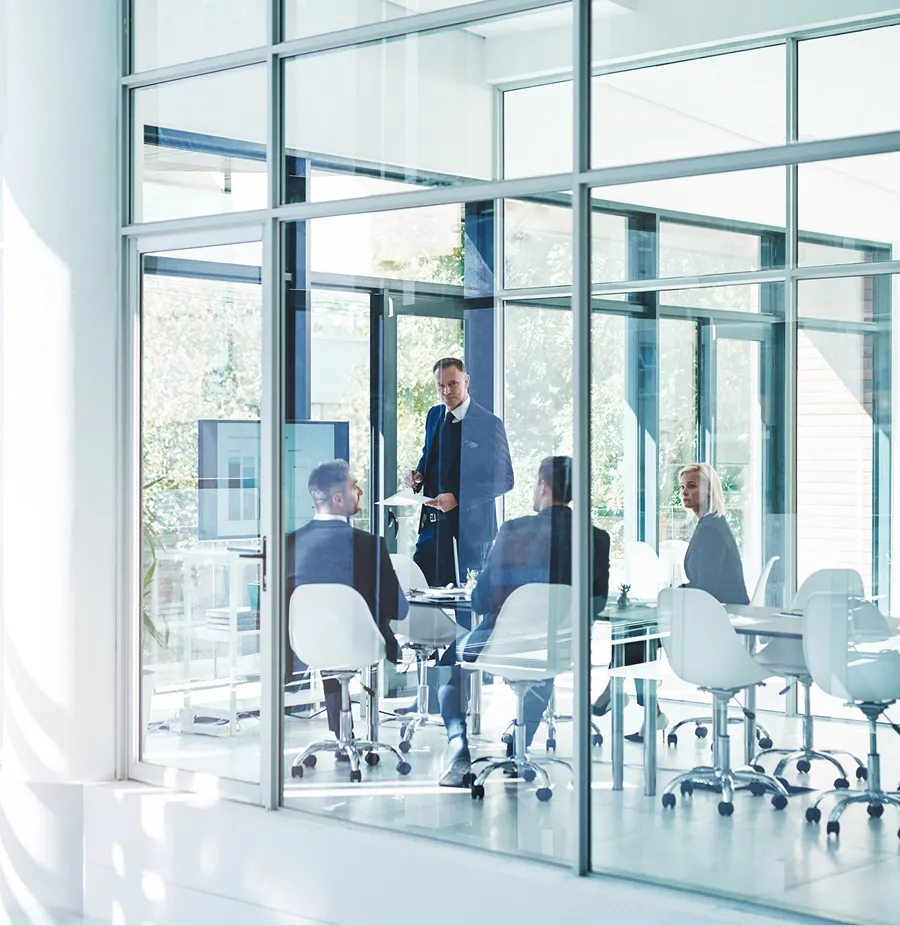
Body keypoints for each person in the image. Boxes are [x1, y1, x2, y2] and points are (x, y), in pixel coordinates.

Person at [436, 456, 610, 787]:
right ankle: (519, 747)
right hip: (559, 646)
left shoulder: (514, 530)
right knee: (543, 672)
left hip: (502, 642)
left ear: (543, 487)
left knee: (448, 662)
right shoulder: (596, 537)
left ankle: (458, 746)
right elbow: (596, 600)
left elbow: (482, 598)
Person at [285, 460, 408, 749]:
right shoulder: (369, 545)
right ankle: (352, 735)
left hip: (307, 645)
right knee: (349, 639)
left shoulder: (289, 543)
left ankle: (341, 735)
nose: (361, 491)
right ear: (338, 498)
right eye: (355, 486)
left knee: (330, 644)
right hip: (360, 644)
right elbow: (399, 609)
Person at [403, 357, 514, 601]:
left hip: (471, 534)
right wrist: (417, 476)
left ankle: (466, 642)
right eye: (441, 386)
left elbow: (505, 479)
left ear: (466, 381)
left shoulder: (489, 424)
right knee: (419, 596)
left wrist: (459, 499)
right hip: (433, 529)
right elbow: (429, 457)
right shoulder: (434, 415)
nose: (447, 391)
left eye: (453, 384)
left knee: (468, 606)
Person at [678, 462, 749, 606]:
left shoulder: (710, 530)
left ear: (709, 490)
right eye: (682, 486)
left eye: (691, 486)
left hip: (724, 613)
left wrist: (671, 593)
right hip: (720, 609)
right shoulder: (712, 522)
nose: (684, 492)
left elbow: (707, 587)